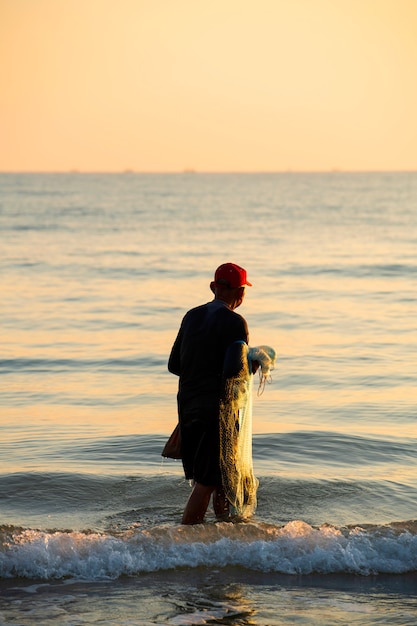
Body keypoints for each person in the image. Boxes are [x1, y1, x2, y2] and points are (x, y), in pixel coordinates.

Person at [168, 262, 255, 524]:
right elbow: (235, 373)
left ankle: (222, 536)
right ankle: (184, 541)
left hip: (187, 407)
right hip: (217, 411)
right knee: (207, 482)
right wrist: (254, 364)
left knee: (216, 476)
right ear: (240, 293)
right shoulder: (236, 323)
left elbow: (174, 366)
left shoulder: (191, 316)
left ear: (213, 287)